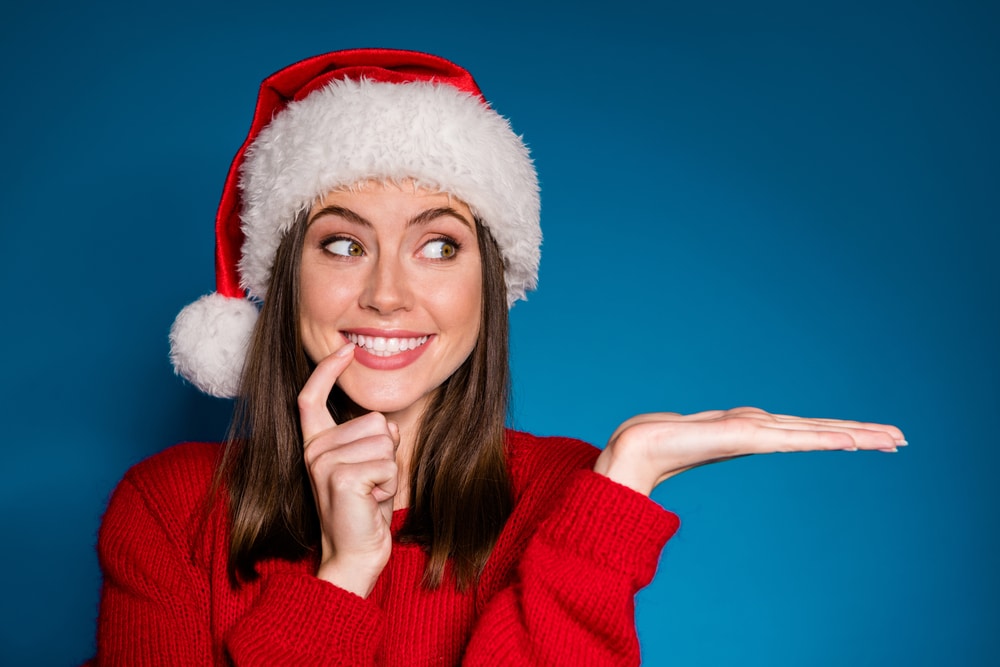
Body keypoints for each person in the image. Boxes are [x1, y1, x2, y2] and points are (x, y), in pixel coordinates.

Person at [89, 48, 905, 666]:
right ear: (282, 277)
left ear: (491, 280)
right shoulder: (170, 509)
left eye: (438, 246)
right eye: (342, 244)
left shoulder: (567, 497)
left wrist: (621, 482)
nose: (387, 294)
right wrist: (342, 576)